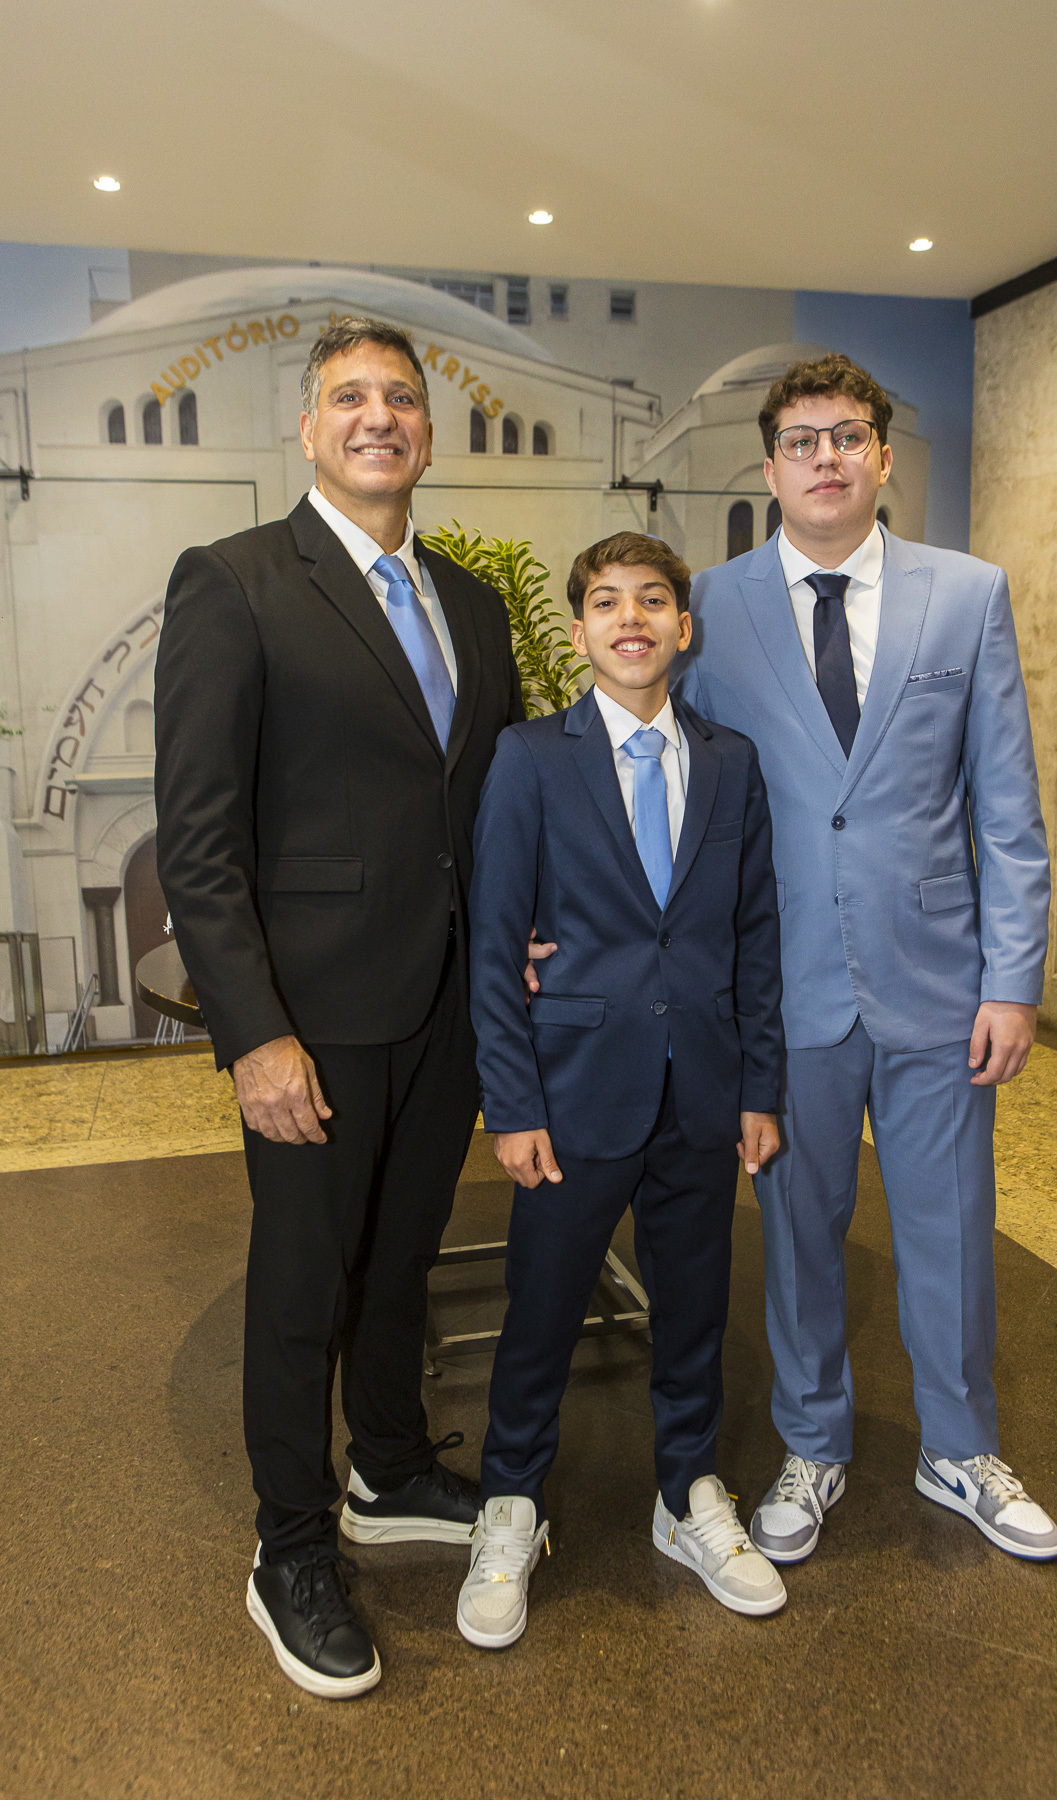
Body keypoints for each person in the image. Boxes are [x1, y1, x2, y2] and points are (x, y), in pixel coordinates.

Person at [154, 317, 525, 1699]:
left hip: (449, 1009)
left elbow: (492, 804)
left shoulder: (471, 605)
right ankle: (292, 1546)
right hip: (311, 1017)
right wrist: (253, 1033)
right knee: (304, 1279)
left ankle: (388, 1465)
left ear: (428, 430)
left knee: (403, 1253)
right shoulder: (237, 582)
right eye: (350, 397)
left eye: (403, 398)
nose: (381, 417)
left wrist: (526, 940)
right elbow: (200, 842)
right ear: (308, 428)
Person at [674, 353, 1057, 1565]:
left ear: (884, 457)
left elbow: (1007, 806)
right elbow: (680, 795)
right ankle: (813, 1442)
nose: (826, 458)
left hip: (941, 982)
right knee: (799, 1230)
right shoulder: (711, 605)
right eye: (801, 440)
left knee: (951, 1226)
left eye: (848, 436)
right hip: (784, 987)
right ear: (772, 467)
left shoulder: (968, 594)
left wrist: (1013, 980)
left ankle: (961, 1447)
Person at [459, 531, 788, 1649]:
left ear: (683, 628)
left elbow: (754, 936)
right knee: (542, 1314)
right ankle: (512, 1505)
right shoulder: (529, 759)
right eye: (607, 602)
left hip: (702, 1092)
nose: (632, 619)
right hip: (571, 1095)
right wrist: (513, 1103)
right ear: (580, 631)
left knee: (695, 1310)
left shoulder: (733, 762)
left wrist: (758, 1085)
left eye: (653, 600)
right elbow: (496, 945)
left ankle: (688, 1494)